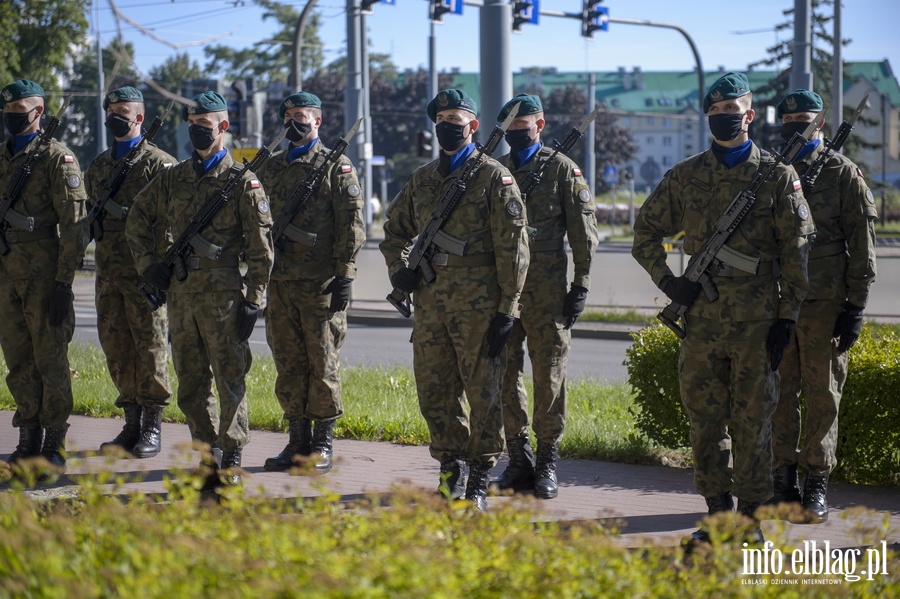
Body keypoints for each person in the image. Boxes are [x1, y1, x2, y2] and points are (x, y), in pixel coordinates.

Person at [631, 72, 815, 545]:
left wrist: (787, 317)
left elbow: (797, 252)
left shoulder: (777, 176)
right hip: (702, 324)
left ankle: (750, 521)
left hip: (758, 324)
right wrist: (670, 281)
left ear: (750, 115)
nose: (724, 118)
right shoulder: (686, 175)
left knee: (754, 423)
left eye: (732, 111)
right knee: (705, 424)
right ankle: (716, 516)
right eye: (715, 112)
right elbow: (645, 232)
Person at [379, 89, 530, 511]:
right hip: (430, 305)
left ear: (473, 125)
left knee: (483, 393)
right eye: (441, 117)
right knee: (435, 391)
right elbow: (394, 232)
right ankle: (450, 469)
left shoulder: (494, 178)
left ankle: (480, 477)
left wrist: (508, 310)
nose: (448, 124)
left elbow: (515, 250)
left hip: (480, 306)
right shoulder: (422, 178)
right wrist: (400, 270)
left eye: (456, 117)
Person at [126, 90, 274, 490]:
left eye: (204, 127)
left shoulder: (243, 182)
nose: (197, 134)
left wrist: (254, 300)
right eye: (191, 127)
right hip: (181, 294)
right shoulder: (173, 178)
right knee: (190, 384)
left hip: (224, 295)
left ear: (223, 128)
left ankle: (232, 457)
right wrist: (149, 267)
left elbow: (262, 251)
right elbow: (137, 219)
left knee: (230, 380)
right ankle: (207, 456)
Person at [769, 89, 877, 522]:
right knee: (777, 393)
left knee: (822, 397)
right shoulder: (772, 172)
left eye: (806, 118)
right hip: (778, 304)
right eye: (790, 118)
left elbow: (862, 244)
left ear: (822, 125)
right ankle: (783, 480)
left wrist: (856, 306)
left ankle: (816, 483)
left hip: (824, 305)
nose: (798, 124)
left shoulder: (843, 173)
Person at [491, 94, 599, 499]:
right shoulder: (495, 170)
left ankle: (548, 461)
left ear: (541, 124)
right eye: (511, 126)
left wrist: (581, 283)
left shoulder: (561, 169)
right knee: (503, 373)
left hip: (547, 289)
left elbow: (583, 233)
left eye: (525, 123)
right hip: (502, 292)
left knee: (549, 375)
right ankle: (518, 459)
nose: (518, 131)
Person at [258, 91, 365, 474]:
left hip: (319, 284)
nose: (293, 122)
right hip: (280, 282)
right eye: (288, 116)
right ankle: (297, 440)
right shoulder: (269, 168)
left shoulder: (337, 166)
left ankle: (323, 443)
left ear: (317, 121)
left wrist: (345, 275)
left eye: (301, 116)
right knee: (288, 362)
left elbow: (352, 226)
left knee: (322, 363)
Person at [0, 79, 87, 477]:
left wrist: (63, 284)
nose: (11, 116)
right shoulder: (1, 156)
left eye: (19, 110)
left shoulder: (57, 158)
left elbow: (73, 227)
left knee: (50, 359)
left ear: (38, 113)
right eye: (7, 110)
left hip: (43, 275)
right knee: (18, 361)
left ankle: (54, 441)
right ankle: (27, 436)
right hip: (6, 274)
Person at [84, 86, 175, 459]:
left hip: (145, 274)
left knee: (150, 348)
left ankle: (152, 425)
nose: (114, 116)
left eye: (122, 110)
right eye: (110, 110)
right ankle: (132, 421)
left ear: (139, 117)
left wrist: (163, 272)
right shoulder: (100, 165)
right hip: (109, 273)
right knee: (116, 347)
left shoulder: (159, 164)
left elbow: (171, 222)